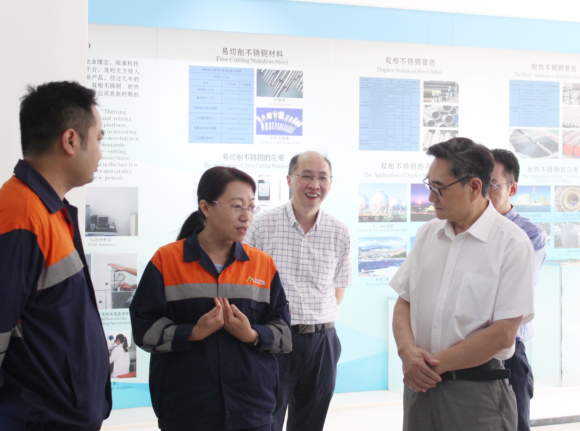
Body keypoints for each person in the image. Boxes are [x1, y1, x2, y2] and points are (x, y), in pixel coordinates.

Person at [130, 166, 291, 431]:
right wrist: (191, 333)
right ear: (206, 207)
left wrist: (251, 334)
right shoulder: (166, 260)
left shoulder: (263, 265)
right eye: (237, 206)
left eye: (251, 207)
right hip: (187, 409)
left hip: (252, 410)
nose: (246, 216)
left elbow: (284, 333)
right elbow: (143, 329)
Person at [391, 138, 535, 431]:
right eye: (429, 185)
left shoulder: (512, 244)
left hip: (477, 393)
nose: (430, 197)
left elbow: (503, 335)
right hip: (419, 388)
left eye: (439, 188)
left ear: (474, 187)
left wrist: (429, 366)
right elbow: (404, 301)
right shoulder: (428, 234)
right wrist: (407, 352)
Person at [0, 82, 112, 430]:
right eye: (99, 139)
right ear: (70, 140)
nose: (101, 152)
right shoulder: (21, 216)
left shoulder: (47, 211)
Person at [244, 151, 352, 431]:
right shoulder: (262, 226)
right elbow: (246, 286)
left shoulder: (339, 231)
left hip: (322, 342)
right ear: (289, 180)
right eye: (306, 176)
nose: (314, 185)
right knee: (266, 419)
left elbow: (338, 289)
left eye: (322, 178)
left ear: (330, 183)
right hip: (275, 339)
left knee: (311, 423)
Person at [488, 148, 547, 431]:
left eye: (492, 184)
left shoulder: (529, 234)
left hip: (508, 348)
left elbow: (509, 294)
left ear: (512, 189)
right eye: (477, 182)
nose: (482, 192)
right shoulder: (459, 229)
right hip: (462, 344)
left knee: (514, 423)